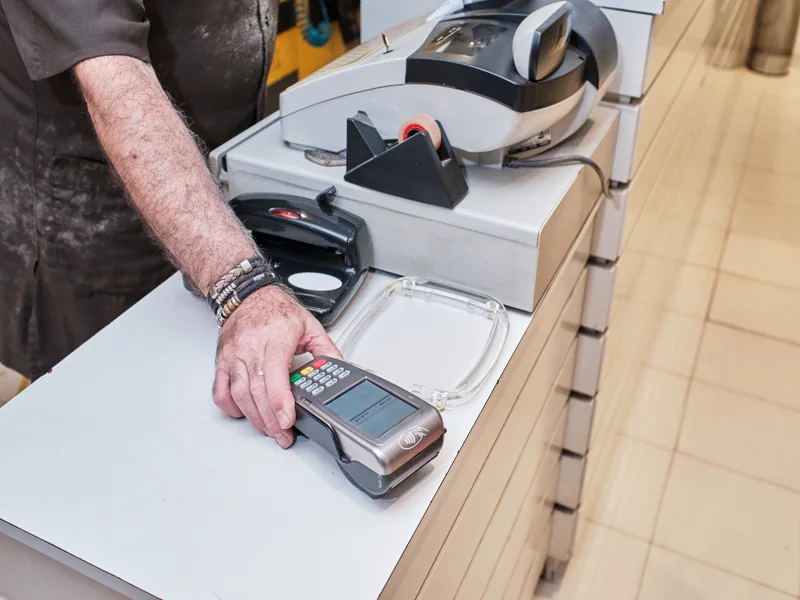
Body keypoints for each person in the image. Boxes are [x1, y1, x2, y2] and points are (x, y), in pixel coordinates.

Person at [0, 0, 342, 449]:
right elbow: (113, 78)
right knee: (107, 421)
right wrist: (240, 287)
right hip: (99, 214)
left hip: (209, 199)